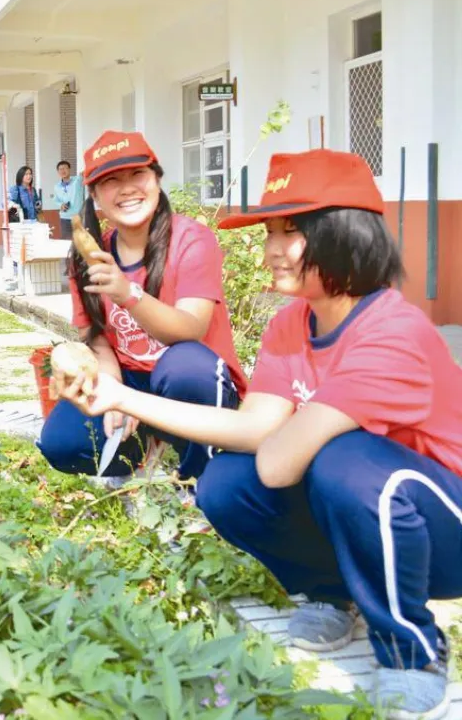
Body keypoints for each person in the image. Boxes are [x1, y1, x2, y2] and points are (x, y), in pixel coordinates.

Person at [50, 148, 462, 719]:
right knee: (223, 483)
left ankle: (411, 650)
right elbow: (253, 428)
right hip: (372, 511)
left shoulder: (392, 332)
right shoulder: (294, 322)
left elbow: (277, 463)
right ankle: (330, 591)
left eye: (291, 232)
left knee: (339, 461)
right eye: (270, 230)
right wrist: (120, 397)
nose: (271, 249)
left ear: (347, 235)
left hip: (444, 531)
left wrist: (281, 434)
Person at [36, 131, 245, 482]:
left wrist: (127, 294)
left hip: (188, 377)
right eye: (111, 181)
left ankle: (200, 479)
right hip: (131, 377)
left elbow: (191, 329)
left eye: (137, 175)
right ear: (95, 196)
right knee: (63, 443)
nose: (127, 188)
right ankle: (141, 454)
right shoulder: (87, 256)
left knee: (185, 367)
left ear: (157, 179)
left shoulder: (192, 239)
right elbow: (98, 338)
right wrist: (115, 392)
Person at [54, 160, 84, 241]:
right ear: (58, 172)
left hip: (78, 217)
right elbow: (56, 200)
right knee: (66, 241)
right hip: (65, 218)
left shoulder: (78, 180)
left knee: (80, 241)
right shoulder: (57, 186)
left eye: (65, 168)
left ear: (69, 169)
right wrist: (61, 205)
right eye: (60, 169)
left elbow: (85, 172)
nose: (63, 171)